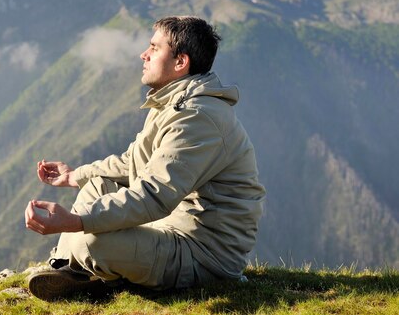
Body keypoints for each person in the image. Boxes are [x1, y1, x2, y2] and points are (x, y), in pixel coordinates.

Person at [24, 16, 266, 301]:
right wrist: (74, 176)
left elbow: (153, 195)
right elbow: (132, 163)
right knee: (97, 186)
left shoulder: (197, 117)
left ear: (180, 62)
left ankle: (83, 269)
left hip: (203, 254)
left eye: (154, 48)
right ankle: (70, 269)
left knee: (90, 239)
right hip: (170, 230)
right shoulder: (172, 103)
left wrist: (76, 221)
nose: (144, 54)